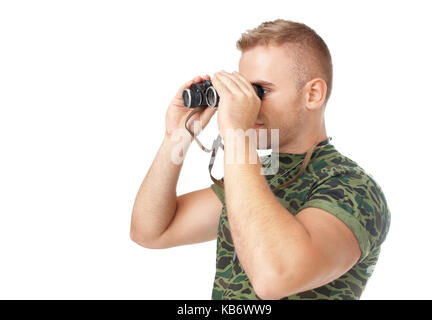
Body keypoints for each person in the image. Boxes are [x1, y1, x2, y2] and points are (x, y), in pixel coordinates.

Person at [130, 19, 390, 300]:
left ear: (313, 94)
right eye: (242, 90)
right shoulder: (260, 174)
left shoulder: (351, 186)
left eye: (260, 91)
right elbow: (151, 231)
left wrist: (238, 137)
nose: (247, 105)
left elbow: (274, 278)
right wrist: (177, 137)